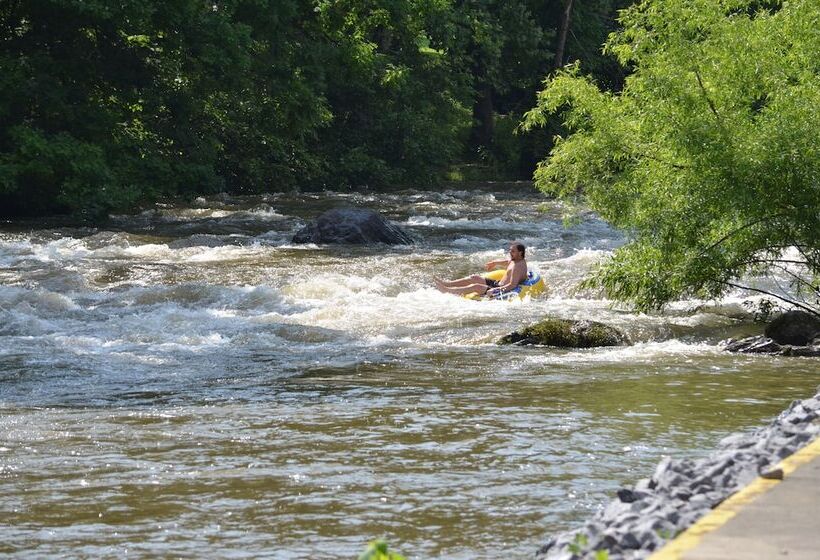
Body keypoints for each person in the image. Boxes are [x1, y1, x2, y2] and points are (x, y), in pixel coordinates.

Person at [434, 242, 528, 297]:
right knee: (474, 277)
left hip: (500, 289)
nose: (510, 253)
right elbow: (507, 262)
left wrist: (495, 291)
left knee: (476, 286)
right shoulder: (515, 260)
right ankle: (447, 284)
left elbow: (512, 285)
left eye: (513, 251)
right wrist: (495, 263)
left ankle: (447, 291)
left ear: (520, 252)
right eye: (510, 250)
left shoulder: (518, 267)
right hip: (497, 283)